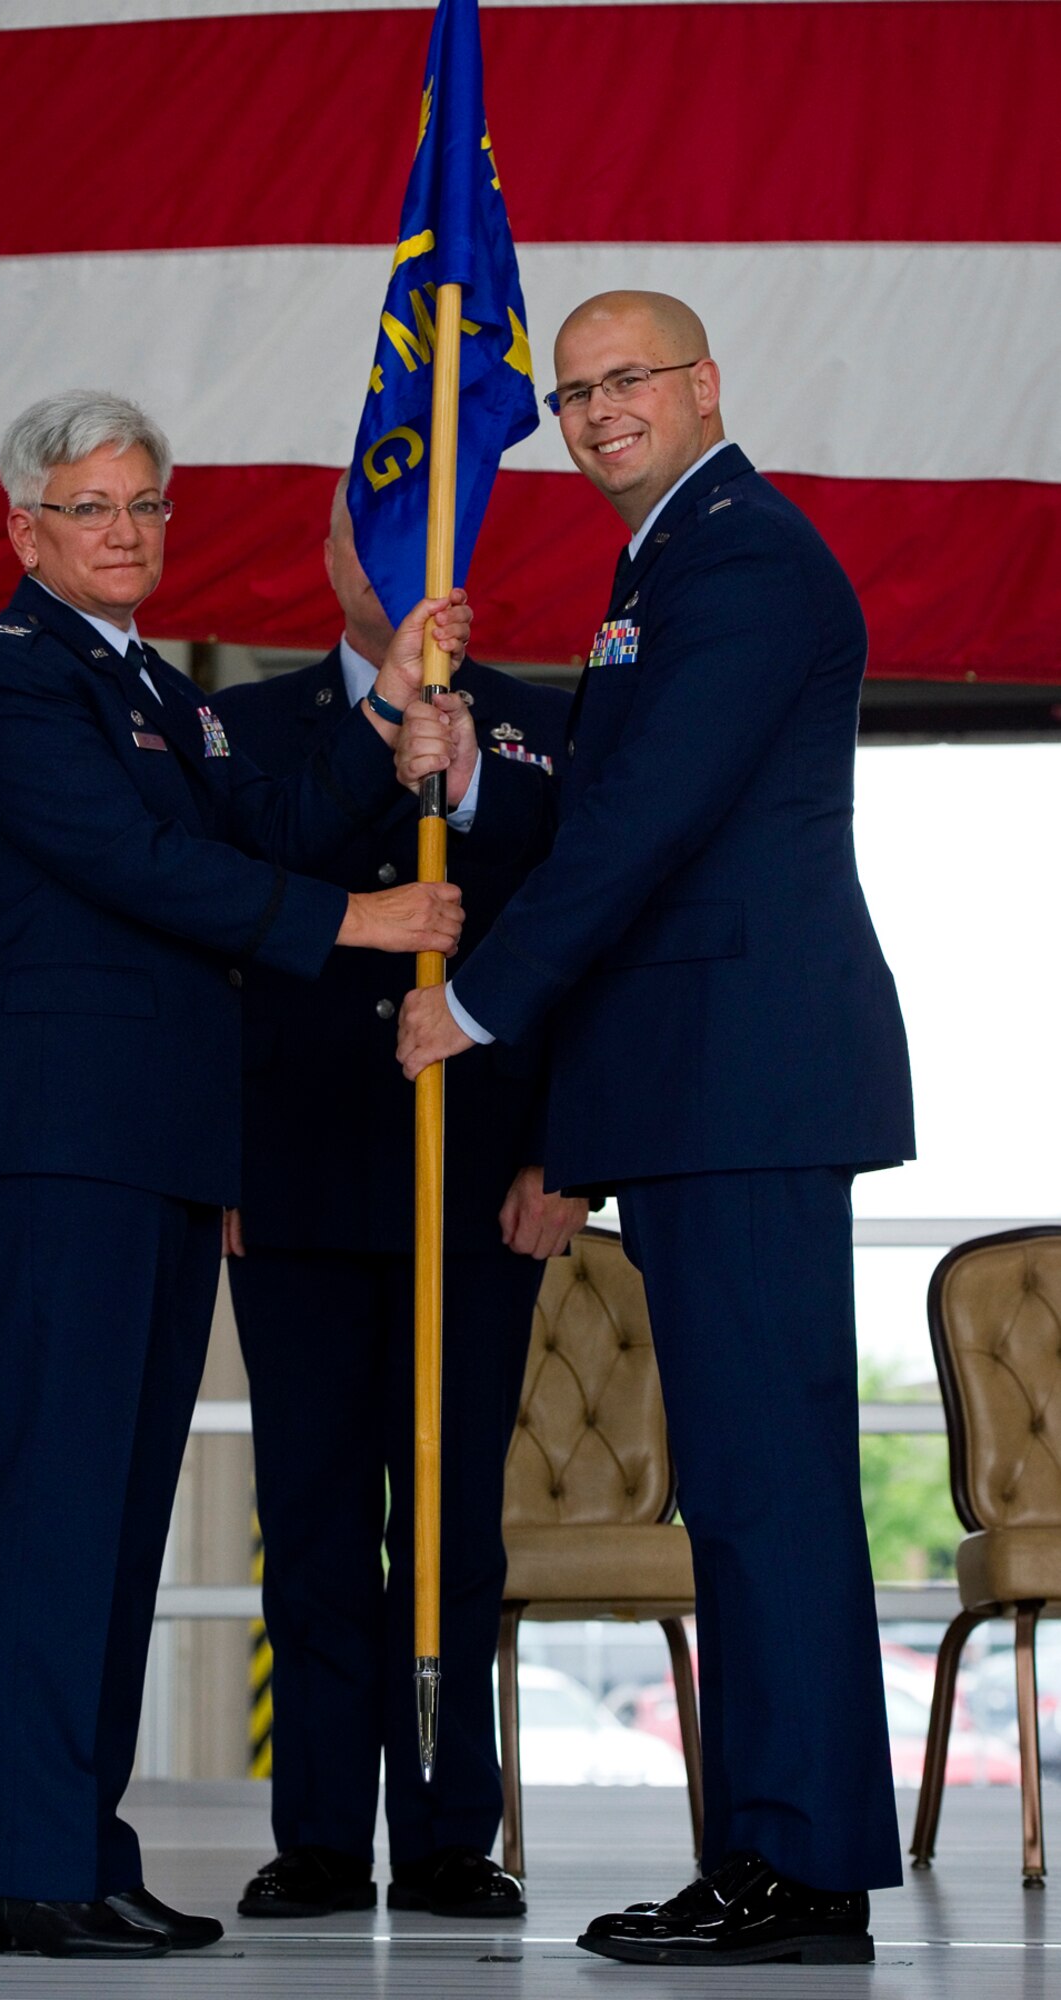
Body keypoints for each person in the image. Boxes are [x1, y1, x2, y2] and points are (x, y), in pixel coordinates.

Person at [397, 293, 915, 1968]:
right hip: (706, 1081)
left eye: (630, 380)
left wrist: (478, 1003)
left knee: (765, 1490)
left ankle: (798, 1864)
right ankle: (773, 1849)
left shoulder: (743, 557)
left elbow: (647, 831)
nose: (598, 410)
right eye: (573, 392)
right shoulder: (668, 565)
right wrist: (478, 781)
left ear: (703, 387)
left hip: (743, 1076)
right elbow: (609, 803)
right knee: (747, 1490)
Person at [0, 391, 469, 1961]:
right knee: (62, 1497)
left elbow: (270, 817)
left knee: (116, 1507)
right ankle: (24, 1866)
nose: (125, 534)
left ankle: (75, 1849)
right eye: (91, 509)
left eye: (144, 507)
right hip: (59, 1131)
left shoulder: (152, 689)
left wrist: (384, 717)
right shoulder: (13, 683)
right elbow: (142, 864)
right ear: (24, 530)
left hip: (151, 1140)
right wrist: (351, 927)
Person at [215, 479, 585, 1923]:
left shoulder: (542, 726)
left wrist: (565, 1154)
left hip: (481, 1182)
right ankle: (316, 1834)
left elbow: (584, 938)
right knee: (307, 1519)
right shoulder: (240, 731)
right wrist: (219, 1163)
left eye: (415, 544)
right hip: (293, 1177)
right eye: (359, 540)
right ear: (324, 560)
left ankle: (442, 1835)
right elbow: (222, 926)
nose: (383, 566)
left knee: (449, 1526)